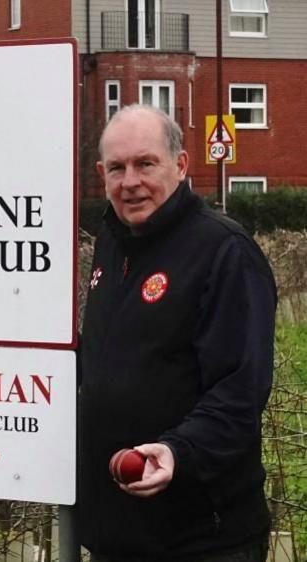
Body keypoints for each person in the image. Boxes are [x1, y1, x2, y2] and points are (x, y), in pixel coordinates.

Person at [77, 104, 276, 561]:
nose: (130, 182)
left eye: (146, 164)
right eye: (117, 168)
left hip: (201, 539)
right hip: (118, 533)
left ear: (181, 165)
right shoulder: (111, 241)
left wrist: (178, 452)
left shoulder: (224, 252)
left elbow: (240, 392)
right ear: (100, 174)